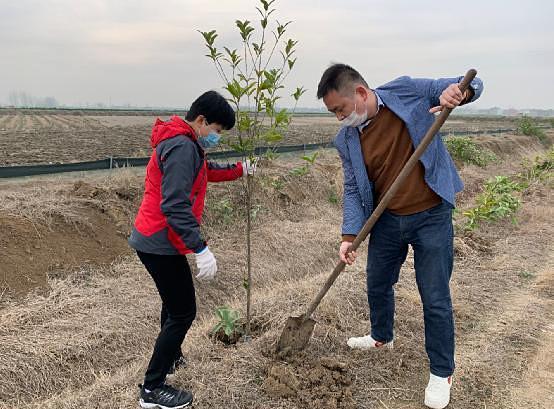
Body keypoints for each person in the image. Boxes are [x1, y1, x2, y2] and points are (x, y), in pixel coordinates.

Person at [317, 64, 483, 409]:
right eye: (333, 113)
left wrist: (460, 93)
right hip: (388, 219)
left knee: (434, 297)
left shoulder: (405, 91)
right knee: (377, 282)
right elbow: (352, 188)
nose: (338, 118)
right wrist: (349, 235)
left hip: (431, 215)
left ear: (360, 93)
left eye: (340, 110)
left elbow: (470, 84)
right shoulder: (346, 139)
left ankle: (441, 372)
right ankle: (381, 337)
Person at [128, 90, 255, 409]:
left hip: (155, 237)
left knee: (173, 305)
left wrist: (241, 169)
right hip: (160, 240)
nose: (217, 138)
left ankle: (171, 359)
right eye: (217, 131)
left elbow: (205, 172)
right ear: (202, 121)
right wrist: (200, 248)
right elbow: (174, 205)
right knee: (184, 311)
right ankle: (152, 389)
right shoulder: (183, 146)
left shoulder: (184, 142)